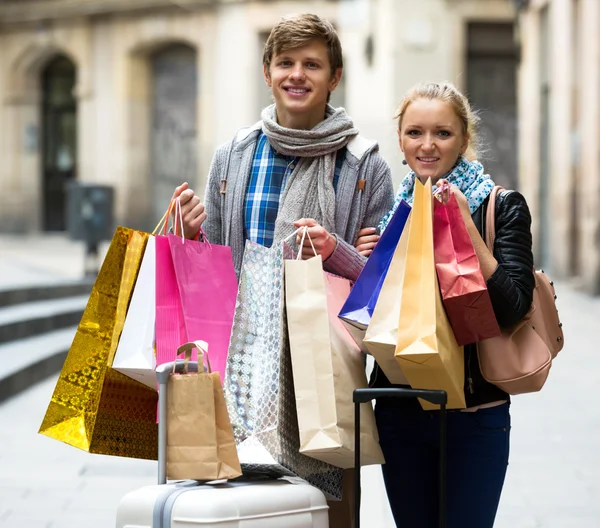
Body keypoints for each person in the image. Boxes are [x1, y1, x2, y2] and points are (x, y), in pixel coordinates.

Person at [171, 13, 394, 527]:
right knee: (239, 511)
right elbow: (217, 272)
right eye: (286, 62)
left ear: (334, 77)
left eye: (312, 64)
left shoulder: (364, 166)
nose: (298, 74)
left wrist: (334, 249)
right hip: (238, 370)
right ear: (267, 72)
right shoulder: (233, 156)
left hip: (321, 374)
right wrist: (190, 236)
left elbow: (381, 290)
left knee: (328, 511)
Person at [355, 81, 535, 527]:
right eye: (415, 133)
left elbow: (512, 307)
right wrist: (364, 264)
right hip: (400, 411)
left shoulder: (501, 207)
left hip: (475, 415)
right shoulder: (392, 214)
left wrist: (465, 226)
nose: (428, 145)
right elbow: (370, 321)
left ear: (464, 139)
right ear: (400, 139)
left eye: (443, 133)